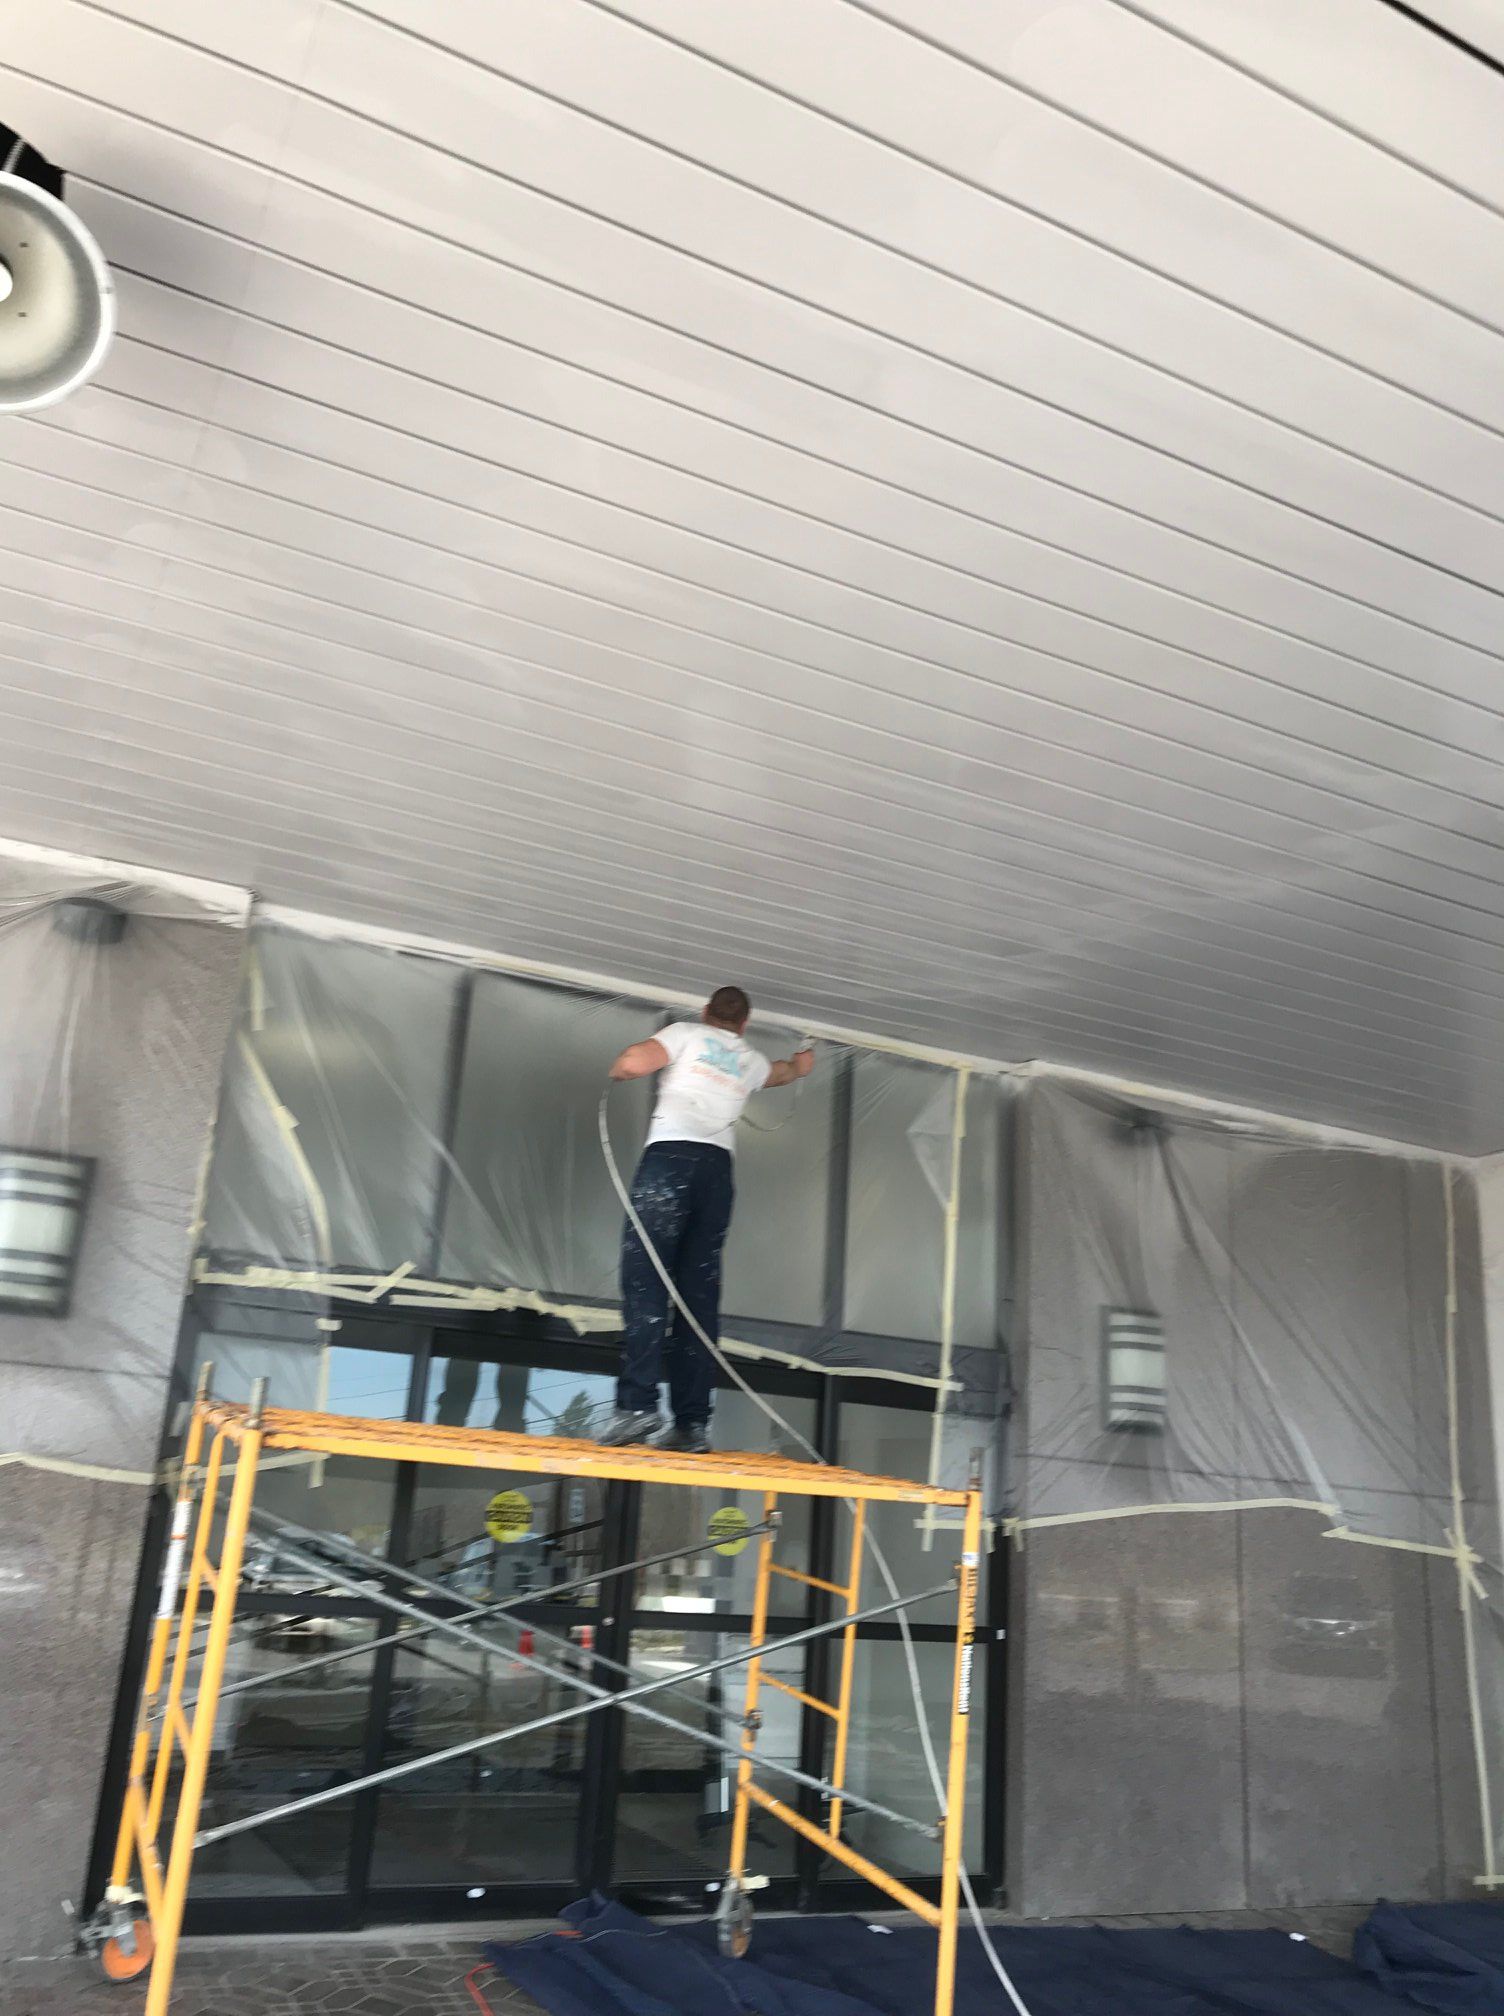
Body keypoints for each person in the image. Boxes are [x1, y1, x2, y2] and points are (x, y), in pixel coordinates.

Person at [599, 986, 814, 1452]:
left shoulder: (686, 1034)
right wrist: (801, 1063)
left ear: (706, 1013)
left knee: (647, 1279)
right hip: (717, 1175)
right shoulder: (749, 1058)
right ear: (744, 1023)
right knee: (698, 1296)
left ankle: (637, 1408)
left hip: (670, 1160)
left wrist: (618, 1070)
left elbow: (634, 1062)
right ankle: (692, 1424)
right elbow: (779, 1074)